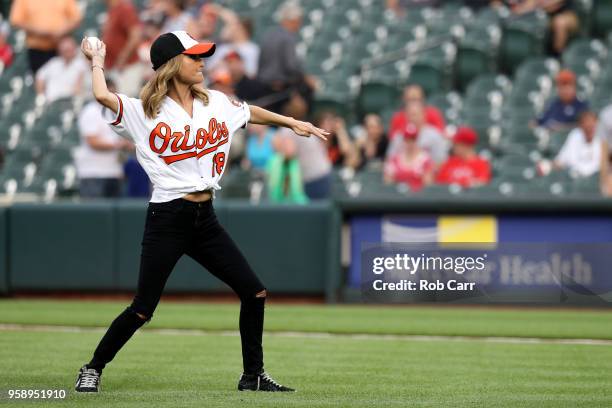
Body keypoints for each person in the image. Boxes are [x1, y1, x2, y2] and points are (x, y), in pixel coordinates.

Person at [74, 30, 328, 393]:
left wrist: (291, 123)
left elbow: (248, 112)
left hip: (204, 218)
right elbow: (101, 94)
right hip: (168, 218)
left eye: (201, 56)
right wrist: (97, 59)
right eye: (193, 56)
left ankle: (252, 375)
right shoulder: (144, 111)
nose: (201, 62)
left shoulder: (215, 102)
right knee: (143, 308)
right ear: (172, 64)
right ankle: (93, 367)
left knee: (254, 292)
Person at [75, 80, 133, 198]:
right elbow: (92, 141)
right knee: (94, 214)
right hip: (93, 173)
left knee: (114, 214)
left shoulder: (117, 113)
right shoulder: (90, 111)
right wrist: (119, 145)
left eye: (112, 92)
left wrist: (128, 145)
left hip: (114, 172)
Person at [256, 0, 317, 114]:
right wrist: (306, 78)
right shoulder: (288, 37)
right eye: (298, 21)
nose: (299, 24)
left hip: (263, 85)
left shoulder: (269, 34)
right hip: (280, 89)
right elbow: (291, 66)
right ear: (293, 20)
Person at [9, 0, 82, 73]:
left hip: (61, 48)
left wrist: (62, 31)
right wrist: (36, 30)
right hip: (37, 49)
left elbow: (76, 18)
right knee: (40, 79)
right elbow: (15, 21)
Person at [103, 0, 145, 97]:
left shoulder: (124, 8)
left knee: (126, 104)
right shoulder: (112, 10)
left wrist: (122, 58)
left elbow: (136, 35)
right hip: (115, 68)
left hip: (128, 67)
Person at [35, 36, 89, 103]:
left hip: (68, 101)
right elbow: (40, 76)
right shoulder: (54, 62)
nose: (68, 52)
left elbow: (79, 85)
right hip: (50, 101)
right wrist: (41, 95)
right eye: (65, 50)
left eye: (70, 49)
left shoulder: (81, 63)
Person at [547, 110, 600, 178]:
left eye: (592, 123)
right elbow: (561, 160)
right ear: (580, 125)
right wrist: (549, 166)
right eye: (585, 123)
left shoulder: (605, 136)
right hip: (574, 178)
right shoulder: (575, 135)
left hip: (597, 178)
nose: (589, 126)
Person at [384, 125, 434, 191]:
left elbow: (428, 185)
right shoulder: (394, 159)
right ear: (403, 140)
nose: (410, 143)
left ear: (417, 140)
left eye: (413, 139)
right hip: (397, 198)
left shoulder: (425, 159)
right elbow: (388, 183)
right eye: (407, 139)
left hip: (419, 198)